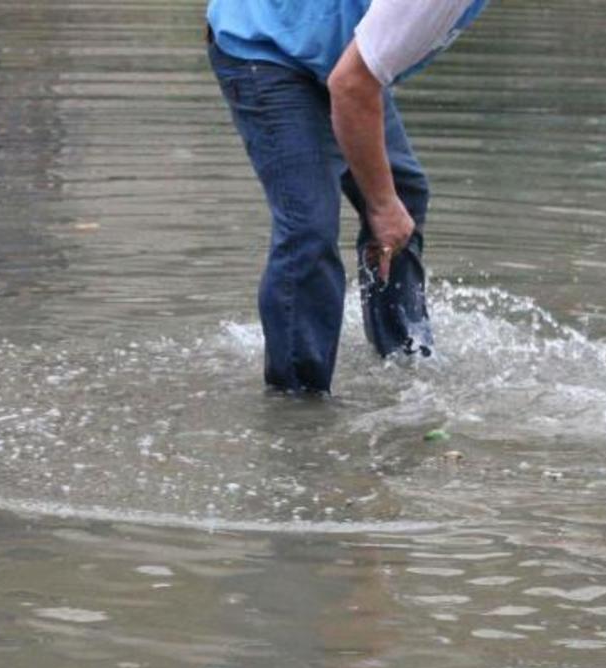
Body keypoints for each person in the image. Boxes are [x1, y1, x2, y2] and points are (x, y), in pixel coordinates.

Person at [206, 0, 488, 394]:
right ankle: (298, 403)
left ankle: (404, 353)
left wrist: (388, 200)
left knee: (402, 191)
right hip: (265, 47)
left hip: (333, 51)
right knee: (309, 226)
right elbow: (351, 85)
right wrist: (380, 204)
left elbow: (359, 75)